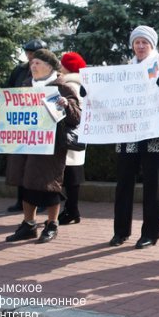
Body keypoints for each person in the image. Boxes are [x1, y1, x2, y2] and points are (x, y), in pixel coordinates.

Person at [109, 26, 159, 248]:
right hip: (128, 134)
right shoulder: (126, 69)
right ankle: (121, 231)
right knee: (124, 184)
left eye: (144, 42)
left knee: (152, 185)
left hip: (154, 133)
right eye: (136, 42)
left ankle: (150, 233)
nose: (139, 46)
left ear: (152, 45)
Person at [5, 49, 81, 243]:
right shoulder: (25, 85)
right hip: (26, 143)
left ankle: (51, 224)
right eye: (32, 63)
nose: (33, 66)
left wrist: (67, 106)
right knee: (26, 182)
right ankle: (28, 224)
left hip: (51, 145)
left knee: (49, 185)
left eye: (37, 63)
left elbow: (77, 117)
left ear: (49, 66)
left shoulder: (61, 87)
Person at [5, 38, 48, 213]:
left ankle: (44, 200)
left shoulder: (49, 70)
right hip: (21, 122)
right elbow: (7, 90)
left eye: (36, 54)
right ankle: (21, 200)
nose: (31, 58)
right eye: (29, 54)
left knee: (41, 165)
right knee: (21, 164)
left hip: (41, 123)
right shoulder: (19, 70)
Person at [57, 51, 87, 226]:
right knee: (74, 172)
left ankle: (71, 209)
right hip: (79, 133)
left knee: (69, 174)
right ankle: (72, 209)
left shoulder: (69, 84)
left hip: (68, 133)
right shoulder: (82, 83)